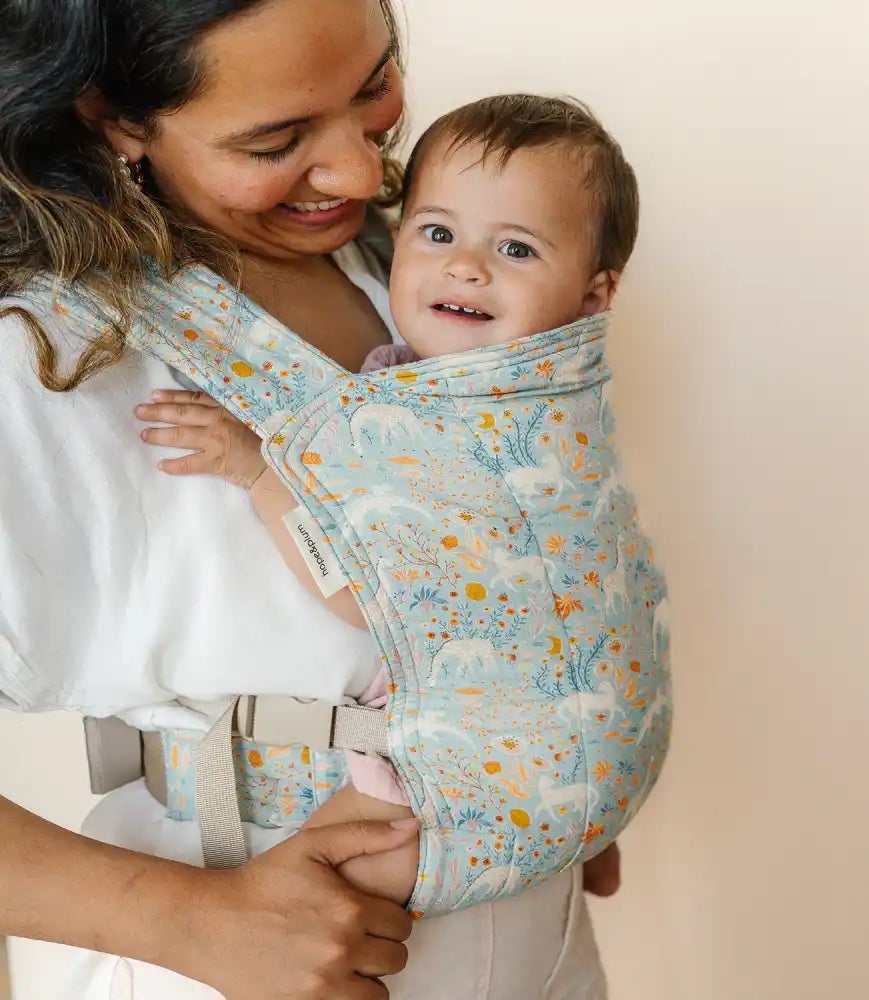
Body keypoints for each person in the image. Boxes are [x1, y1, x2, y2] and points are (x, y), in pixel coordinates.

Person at [0, 1, 607, 996]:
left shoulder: (408, 266)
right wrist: (192, 923)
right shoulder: (44, 359)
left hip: (531, 933)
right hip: (254, 948)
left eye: (373, 86)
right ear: (113, 117)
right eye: (278, 140)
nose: (366, 172)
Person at [136, 92, 656, 909]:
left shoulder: (493, 423)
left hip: (493, 758)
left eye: (515, 248)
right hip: (604, 735)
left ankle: (555, 828)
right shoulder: (425, 371)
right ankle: (577, 831)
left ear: (592, 298)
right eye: (438, 232)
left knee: (300, 893)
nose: (466, 266)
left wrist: (257, 470)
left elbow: (373, 594)